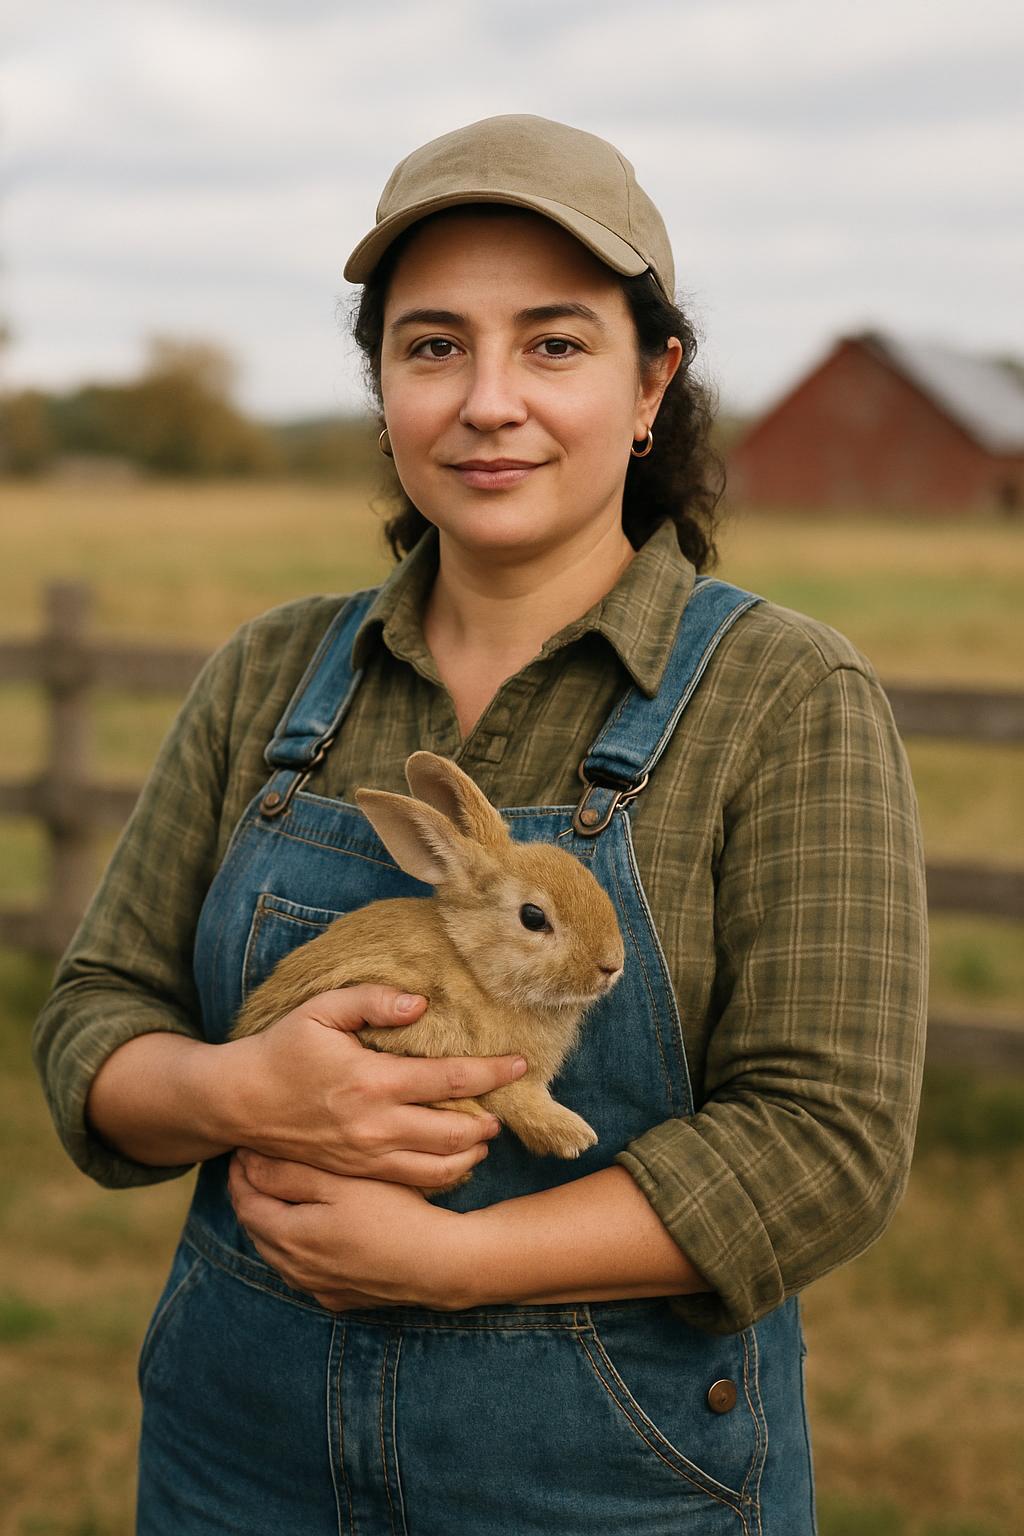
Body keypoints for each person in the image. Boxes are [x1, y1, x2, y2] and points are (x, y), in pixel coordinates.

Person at [33, 115, 928, 1535]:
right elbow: (95, 1017)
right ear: (383, 386)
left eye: (555, 344)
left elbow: (826, 1144)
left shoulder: (785, 696)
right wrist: (240, 1092)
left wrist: (455, 1262)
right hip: (236, 1461)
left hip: (611, 1487)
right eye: (434, 345)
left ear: (654, 380)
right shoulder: (270, 673)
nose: (487, 402)